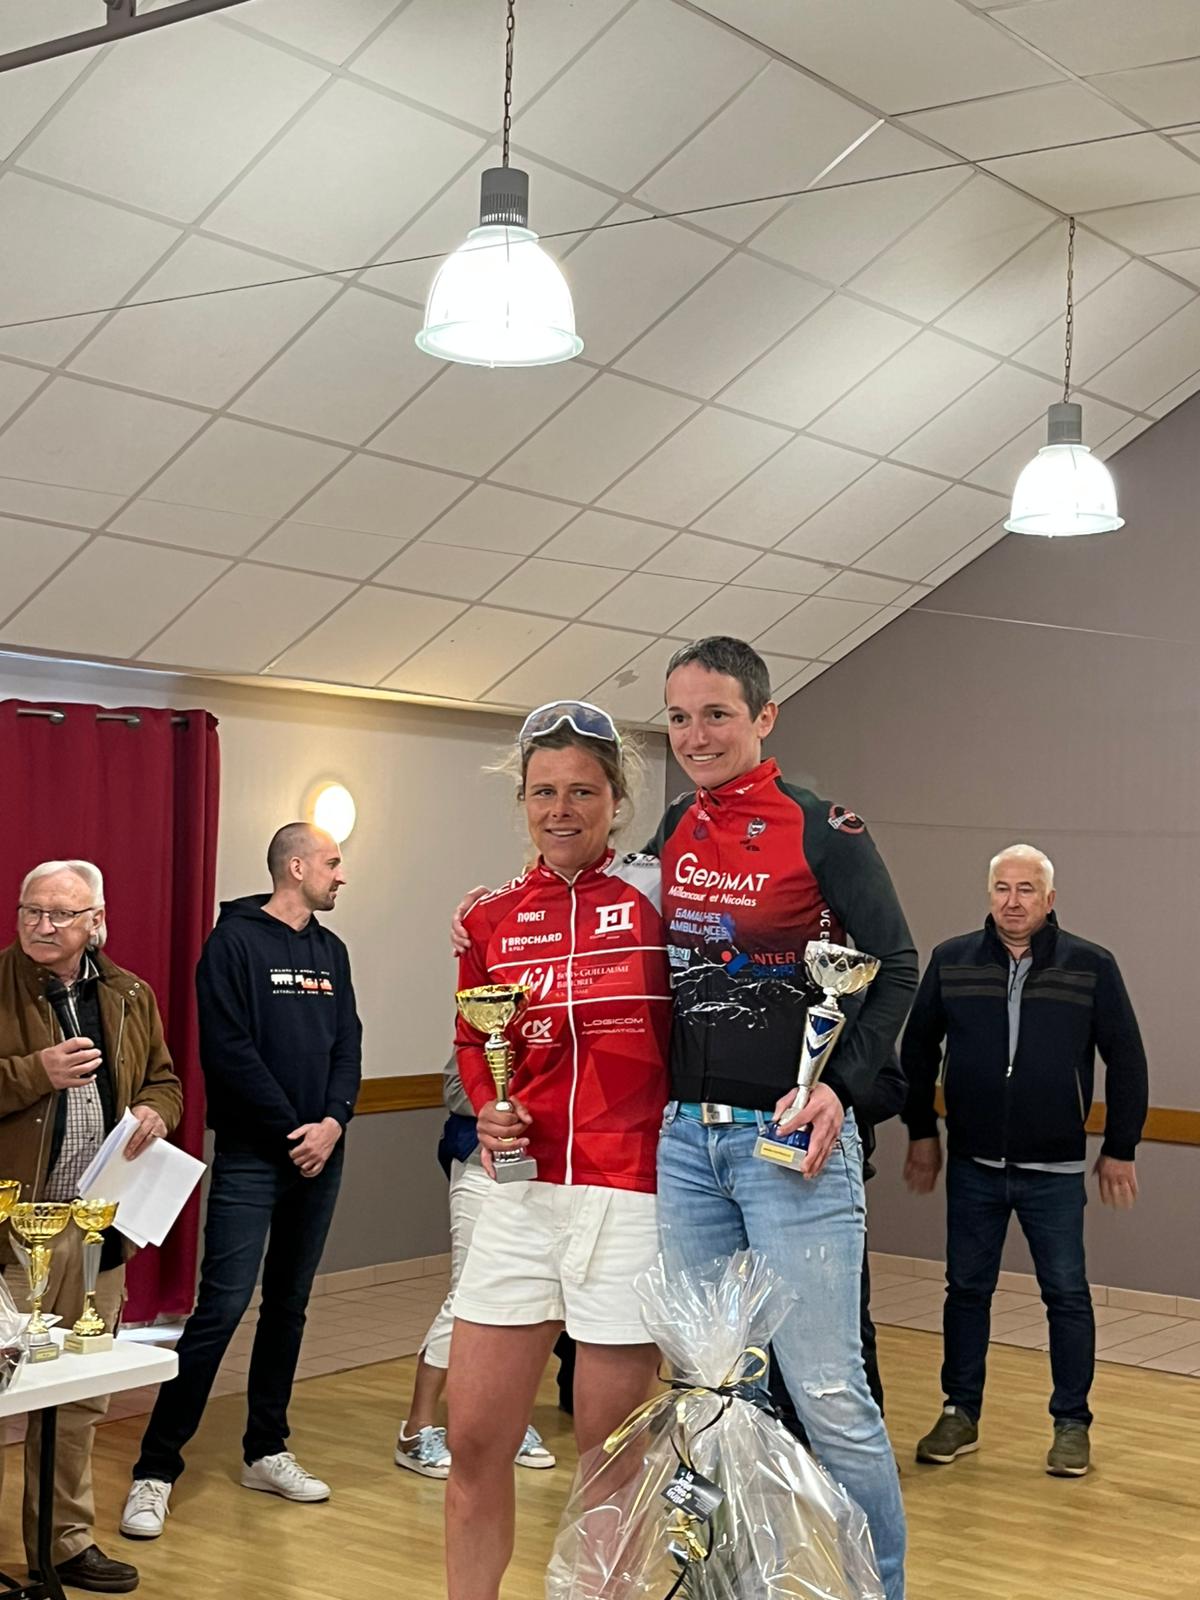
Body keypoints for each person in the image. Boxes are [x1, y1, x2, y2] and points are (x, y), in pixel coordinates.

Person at [651, 636, 915, 1600]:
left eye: (717, 714)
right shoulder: (675, 825)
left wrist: (841, 1087)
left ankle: (878, 1589)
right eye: (679, 717)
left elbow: (896, 964)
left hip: (787, 1150)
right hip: (686, 1147)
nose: (695, 735)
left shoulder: (822, 828)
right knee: (716, 1396)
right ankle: (734, 1587)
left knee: (830, 1396)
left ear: (763, 716)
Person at [446, 701, 670, 1600]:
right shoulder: (489, 917)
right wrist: (486, 1107)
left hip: (630, 1194)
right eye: (544, 792)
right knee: (473, 1442)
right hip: (518, 1197)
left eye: (582, 791)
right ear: (523, 803)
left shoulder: (660, 899)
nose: (561, 809)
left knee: (610, 1455)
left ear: (616, 800)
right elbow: (475, 1040)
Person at [121, 823, 361, 1539]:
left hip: (322, 1154)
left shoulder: (331, 952)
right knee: (221, 1307)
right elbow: (227, 1052)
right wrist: (295, 1131)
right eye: (332, 863)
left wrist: (333, 1123)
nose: (341, 875)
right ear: (297, 867)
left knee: (288, 1305)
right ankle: (155, 1469)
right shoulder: (232, 944)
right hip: (257, 1158)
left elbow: (348, 1045)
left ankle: (266, 1450)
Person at [902, 843, 1148, 1479]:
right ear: (989, 895)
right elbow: (918, 1049)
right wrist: (922, 1131)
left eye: (1026, 889)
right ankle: (959, 1413)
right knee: (966, 1291)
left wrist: (1120, 1147)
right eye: (1002, 888)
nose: (1013, 901)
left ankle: (1072, 1424)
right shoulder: (952, 960)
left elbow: (1127, 1058)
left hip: (1054, 1172)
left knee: (1065, 1295)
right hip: (974, 1165)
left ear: (1050, 899)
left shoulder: (1091, 965)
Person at [0, 859, 181, 1594]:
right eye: (31, 910)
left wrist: (156, 1112)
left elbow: (165, 1080)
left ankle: (64, 1542)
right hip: (12, 1230)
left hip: (96, 1225)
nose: (43, 925)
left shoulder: (129, 994)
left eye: (61, 914)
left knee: (77, 1396)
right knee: (3, 1391)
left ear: (96, 922)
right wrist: (34, 1072)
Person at [394, 1051, 555, 1478]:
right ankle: (416, 1429)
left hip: (550, 1169)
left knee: (529, 1300)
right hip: (482, 1165)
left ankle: (509, 1423)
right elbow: (454, 1088)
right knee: (466, 1293)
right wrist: (516, 1105)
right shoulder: (492, 1020)